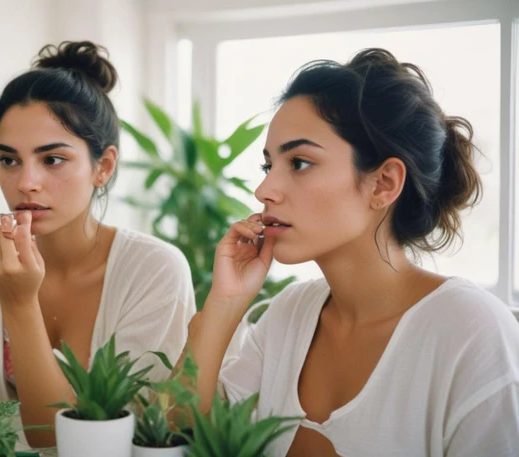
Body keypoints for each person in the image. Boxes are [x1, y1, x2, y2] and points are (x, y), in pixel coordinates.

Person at [178, 48, 519, 456]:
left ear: (384, 184)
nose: (264, 190)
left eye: (300, 162)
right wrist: (224, 304)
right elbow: (178, 432)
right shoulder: (289, 314)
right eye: (269, 166)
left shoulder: (471, 331)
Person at [0, 41, 195, 448]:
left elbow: (67, 441)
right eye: (9, 160)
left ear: (104, 166)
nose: (26, 182)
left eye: (52, 159)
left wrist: (19, 304)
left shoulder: (154, 269)